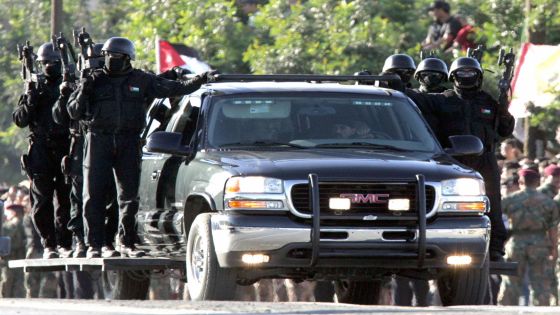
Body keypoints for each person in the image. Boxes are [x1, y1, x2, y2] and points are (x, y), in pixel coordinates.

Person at [67, 37, 214, 258]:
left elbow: (174, 88)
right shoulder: (93, 80)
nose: (111, 60)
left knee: (128, 196)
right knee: (93, 195)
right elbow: (73, 112)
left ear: (128, 59)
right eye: (108, 56)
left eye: (117, 57)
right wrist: (83, 90)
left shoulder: (141, 80)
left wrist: (200, 80)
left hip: (129, 141)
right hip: (98, 140)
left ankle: (124, 242)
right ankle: (94, 245)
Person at [418, 57, 514, 263]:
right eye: (462, 74)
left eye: (471, 74)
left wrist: (504, 109)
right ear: (453, 77)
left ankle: (496, 248)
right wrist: (394, 81)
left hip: (485, 159)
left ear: (478, 77)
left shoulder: (488, 102)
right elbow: (415, 98)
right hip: (455, 159)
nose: (466, 77)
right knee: (453, 204)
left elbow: (504, 130)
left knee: (493, 202)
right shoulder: (443, 99)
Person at [12, 42, 73, 259]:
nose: (48, 66)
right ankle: (49, 245)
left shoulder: (69, 85)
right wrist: (30, 99)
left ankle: (65, 243)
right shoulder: (34, 89)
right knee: (41, 201)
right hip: (40, 149)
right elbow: (20, 120)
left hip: (65, 146)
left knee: (66, 199)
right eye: (44, 62)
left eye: (53, 62)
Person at [499, 168, 559, 306]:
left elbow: (498, 220)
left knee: (511, 282)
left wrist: (501, 242)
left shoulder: (510, 200)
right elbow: (553, 228)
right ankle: (542, 310)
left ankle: (506, 310)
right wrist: (554, 248)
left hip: (516, 242)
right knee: (540, 284)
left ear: (520, 181)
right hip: (540, 244)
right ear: (538, 182)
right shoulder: (548, 202)